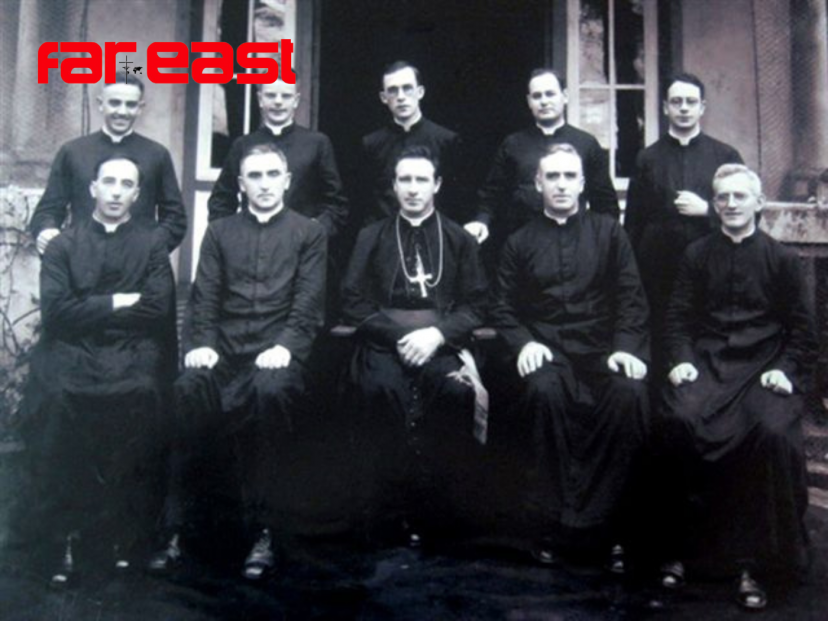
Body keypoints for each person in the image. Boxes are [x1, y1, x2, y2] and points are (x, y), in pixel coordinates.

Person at [154, 144, 326, 580]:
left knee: (271, 394)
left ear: (287, 181)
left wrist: (285, 346)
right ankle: (178, 530)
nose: (264, 184)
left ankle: (264, 531)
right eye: (255, 176)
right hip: (225, 352)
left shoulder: (308, 233)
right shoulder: (220, 231)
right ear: (241, 183)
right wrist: (201, 343)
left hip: (275, 353)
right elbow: (204, 296)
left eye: (272, 174)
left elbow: (307, 304)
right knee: (188, 390)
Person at [656, 164, 817, 610]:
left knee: (768, 432)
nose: (729, 204)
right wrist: (682, 361)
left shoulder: (782, 259)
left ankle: (756, 563)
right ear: (714, 203)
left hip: (762, 369)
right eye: (722, 197)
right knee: (679, 421)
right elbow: (677, 320)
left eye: (739, 197)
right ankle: (683, 554)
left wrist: (785, 369)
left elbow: (803, 330)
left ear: (758, 203)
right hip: (707, 365)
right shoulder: (696, 254)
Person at [490, 143, 648, 566]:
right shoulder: (519, 242)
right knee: (543, 394)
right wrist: (524, 342)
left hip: (600, 353)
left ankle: (612, 530)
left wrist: (625, 349)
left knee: (629, 397)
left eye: (569, 176)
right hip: (548, 350)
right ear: (538, 183)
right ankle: (550, 527)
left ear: (582, 183)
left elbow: (631, 299)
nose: (561, 185)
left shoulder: (610, 234)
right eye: (552, 177)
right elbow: (502, 307)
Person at [20, 155, 175, 584]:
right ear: (92, 188)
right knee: (58, 399)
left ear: (137, 195)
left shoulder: (151, 244)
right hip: (71, 350)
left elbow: (157, 309)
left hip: (131, 350)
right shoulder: (63, 246)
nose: (116, 191)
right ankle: (63, 536)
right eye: (108, 181)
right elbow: (56, 314)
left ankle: (125, 535)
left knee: (143, 394)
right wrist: (118, 302)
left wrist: (88, 309)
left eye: (127, 184)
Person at [342, 145, 487, 545]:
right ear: (393, 185)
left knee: (455, 393)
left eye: (421, 179)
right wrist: (398, 337)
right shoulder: (371, 235)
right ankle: (386, 517)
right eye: (404, 179)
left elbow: (477, 304)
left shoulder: (459, 238)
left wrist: (437, 335)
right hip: (383, 342)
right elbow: (352, 299)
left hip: (441, 344)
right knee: (378, 390)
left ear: (437, 185)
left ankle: (438, 517)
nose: (412, 189)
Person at [624, 73, 743, 375]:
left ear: (702, 107)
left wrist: (708, 210)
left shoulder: (725, 155)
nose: (684, 108)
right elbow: (633, 223)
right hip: (659, 270)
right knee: (662, 339)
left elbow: (746, 215)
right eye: (676, 102)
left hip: (712, 267)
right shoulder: (648, 158)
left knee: (707, 337)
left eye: (691, 102)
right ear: (665, 108)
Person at [30, 74, 187, 254]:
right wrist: (46, 230)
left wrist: (150, 248)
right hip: (83, 261)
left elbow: (175, 218)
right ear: (100, 104)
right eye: (114, 102)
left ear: (140, 108)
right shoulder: (72, 152)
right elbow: (48, 210)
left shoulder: (157, 155)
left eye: (130, 104)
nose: (121, 111)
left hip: (137, 266)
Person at [466, 68, 619, 249]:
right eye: (537, 96)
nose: (544, 101)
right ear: (529, 102)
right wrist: (482, 221)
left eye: (550, 94)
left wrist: (601, 240)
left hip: (575, 243)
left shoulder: (587, 143)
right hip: (523, 243)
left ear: (565, 97)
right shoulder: (513, 144)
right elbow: (492, 193)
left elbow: (605, 203)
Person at [207, 78, 348, 239]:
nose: (278, 102)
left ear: (295, 100)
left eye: (286, 96)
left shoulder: (317, 143)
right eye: (271, 95)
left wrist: (312, 231)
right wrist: (232, 237)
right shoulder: (243, 145)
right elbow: (221, 201)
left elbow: (336, 205)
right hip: (252, 246)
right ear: (260, 99)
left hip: (300, 247)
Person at [359, 61, 466, 224]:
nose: (401, 97)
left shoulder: (446, 140)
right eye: (393, 91)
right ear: (383, 98)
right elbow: (366, 200)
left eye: (407, 88)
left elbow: (455, 198)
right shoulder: (371, 144)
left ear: (420, 92)